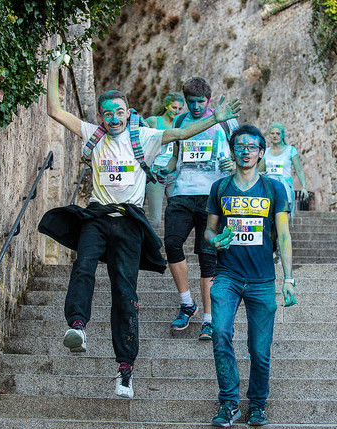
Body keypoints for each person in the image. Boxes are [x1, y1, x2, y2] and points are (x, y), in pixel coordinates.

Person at [41, 52, 241, 399]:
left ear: (128, 111)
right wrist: (54, 68)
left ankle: (125, 371)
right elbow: (55, 111)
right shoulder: (94, 134)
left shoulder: (146, 137)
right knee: (83, 265)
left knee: (125, 293)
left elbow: (182, 130)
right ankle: (77, 325)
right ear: (101, 116)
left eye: (120, 111)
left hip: (130, 223)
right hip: (98, 217)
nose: (114, 117)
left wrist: (216, 119)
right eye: (108, 113)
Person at [204, 124, 296, 427]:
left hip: (261, 280)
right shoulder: (220, 187)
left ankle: (257, 404)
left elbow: (283, 235)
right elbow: (209, 229)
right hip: (227, 275)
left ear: (261, 152)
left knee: (259, 348)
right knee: (220, 334)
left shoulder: (273, 189)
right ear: (233, 150)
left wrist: (289, 279)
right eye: (240, 145)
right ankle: (228, 402)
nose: (246, 150)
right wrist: (213, 240)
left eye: (252, 146)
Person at [160, 76, 238, 341]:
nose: (195, 107)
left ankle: (208, 319)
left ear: (209, 99)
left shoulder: (224, 120)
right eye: (190, 102)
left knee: (208, 258)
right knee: (171, 243)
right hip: (182, 194)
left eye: (200, 102)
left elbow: (244, 150)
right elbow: (174, 158)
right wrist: (163, 170)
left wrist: (234, 166)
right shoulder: (181, 122)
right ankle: (186, 303)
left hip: (213, 197)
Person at [145, 92, 185, 230]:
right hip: (156, 173)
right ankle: (147, 248)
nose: (177, 111)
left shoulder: (182, 124)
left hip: (174, 174)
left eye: (180, 109)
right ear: (166, 106)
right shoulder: (154, 121)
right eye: (174, 108)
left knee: (176, 216)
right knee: (155, 220)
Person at [259, 123, 308, 221]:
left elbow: (299, 170)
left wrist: (304, 187)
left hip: (285, 188)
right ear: (269, 135)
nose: (275, 136)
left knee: (283, 218)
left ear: (282, 135)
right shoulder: (266, 152)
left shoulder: (290, 150)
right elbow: (260, 172)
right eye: (272, 133)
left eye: (278, 133)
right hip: (270, 188)